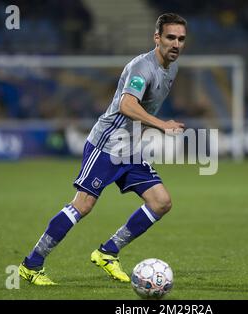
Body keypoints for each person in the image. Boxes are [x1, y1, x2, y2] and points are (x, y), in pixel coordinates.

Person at [18, 13, 187, 285]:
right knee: (83, 205)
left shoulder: (172, 68)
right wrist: (162, 125)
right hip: (107, 144)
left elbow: (144, 109)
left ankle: (108, 252)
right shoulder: (141, 68)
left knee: (161, 202)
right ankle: (31, 264)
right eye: (170, 37)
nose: (176, 44)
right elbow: (126, 105)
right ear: (157, 38)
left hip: (130, 149)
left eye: (181, 39)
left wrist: (147, 129)